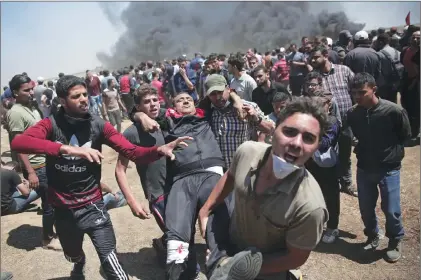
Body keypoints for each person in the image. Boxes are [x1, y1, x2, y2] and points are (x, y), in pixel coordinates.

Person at [10, 75, 192, 280]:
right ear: (62, 101)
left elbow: (132, 151)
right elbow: (18, 143)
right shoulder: (50, 124)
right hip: (63, 208)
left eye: (85, 94)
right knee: (72, 253)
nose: (83, 99)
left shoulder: (99, 125)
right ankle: (79, 263)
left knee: (111, 262)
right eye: (76, 96)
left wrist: (158, 150)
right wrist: (65, 149)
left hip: (93, 205)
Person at [199, 97, 328, 280]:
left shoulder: (310, 206)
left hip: (267, 271)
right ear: (274, 129)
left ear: (316, 147)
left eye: (308, 138)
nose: (297, 143)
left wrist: (240, 269)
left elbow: (295, 257)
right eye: (290, 132)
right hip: (231, 245)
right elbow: (230, 175)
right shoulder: (247, 151)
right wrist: (206, 210)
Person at [347, 73, 411, 263]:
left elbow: (404, 135)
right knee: (366, 208)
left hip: (389, 168)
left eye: (362, 92)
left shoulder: (393, 111)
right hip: (365, 167)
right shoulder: (353, 113)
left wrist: (391, 154)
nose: (358, 96)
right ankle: (373, 234)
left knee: (391, 209)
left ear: (374, 89)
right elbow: (353, 133)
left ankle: (395, 239)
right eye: (354, 93)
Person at [6, 74, 59, 250]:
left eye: (31, 89)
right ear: (15, 92)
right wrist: (30, 171)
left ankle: (55, 231)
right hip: (37, 165)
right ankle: (47, 239)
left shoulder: (33, 107)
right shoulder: (15, 113)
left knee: (54, 200)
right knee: (48, 203)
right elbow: (18, 145)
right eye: (26, 90)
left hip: (47, 159)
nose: (30, 93)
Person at [305, 91, 342, 243]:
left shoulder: (332, 121)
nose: (317, 108)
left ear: (329, 104)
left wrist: (307, 138)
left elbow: (326, 143)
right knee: (312, 195)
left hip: (328, 167)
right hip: (310, 164)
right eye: (314, 105)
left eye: (321, 104)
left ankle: (332, 227)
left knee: (330, 196)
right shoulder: (309, 120)